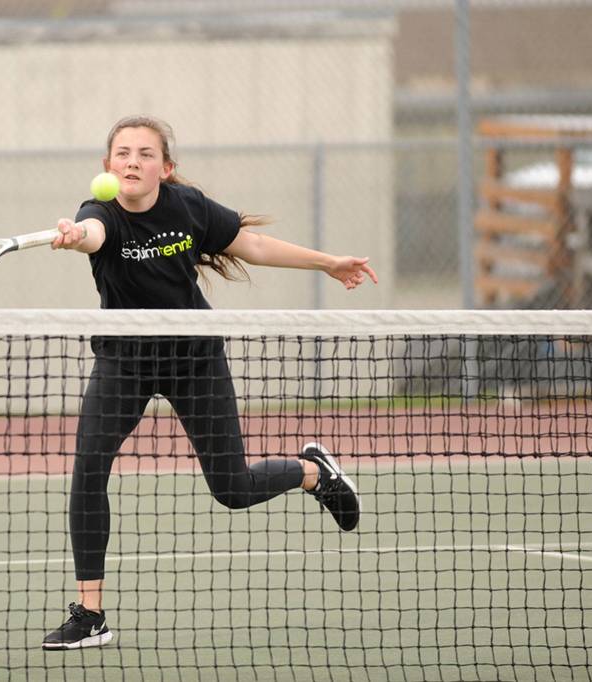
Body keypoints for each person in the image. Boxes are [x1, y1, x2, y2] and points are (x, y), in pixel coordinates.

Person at [40, 115, 378, 651]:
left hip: (195, 358)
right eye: (123, 153)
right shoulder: (97, 215)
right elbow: (92, 236)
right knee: (87, 473)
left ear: (165, 168)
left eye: (145, 154)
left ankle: (314, 473)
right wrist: (76, 235)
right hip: (124, 363)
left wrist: (327, 264)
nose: (132, 161)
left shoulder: (188, 207)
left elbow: (255, 247)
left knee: (233, 490)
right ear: (107, 167)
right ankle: (90, 616)